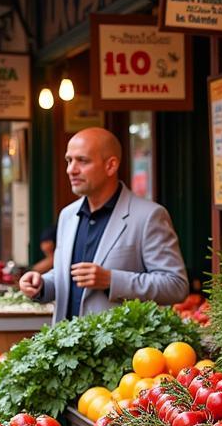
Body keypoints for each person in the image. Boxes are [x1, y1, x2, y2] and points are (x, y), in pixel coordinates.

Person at [18, 127, 188, 318]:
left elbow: (176, 286)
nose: (71, 170)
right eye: (69, 160)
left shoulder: (149, 215)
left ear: (111, 166)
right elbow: (67, 275)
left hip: (121, 346)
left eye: (82, 160)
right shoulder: (68, 215)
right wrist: (42, 284)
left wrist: (112, 280)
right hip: (67, 344)